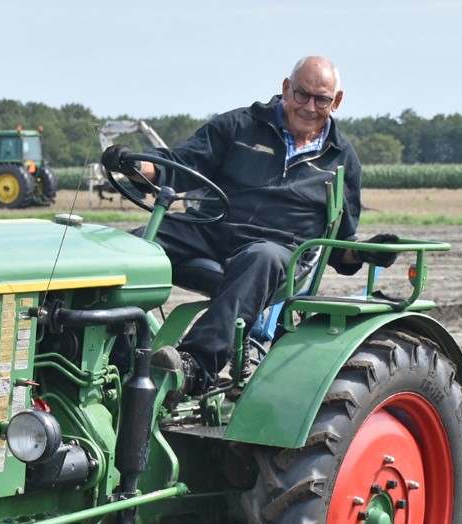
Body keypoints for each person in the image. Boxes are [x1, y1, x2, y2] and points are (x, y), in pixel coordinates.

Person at [101, 55, 398, 399]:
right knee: (134, 248)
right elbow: (181, 165)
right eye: (302, 94)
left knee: (262, 257)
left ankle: (194, 367)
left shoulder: (342, 159)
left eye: (322, 100)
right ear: (286, 88)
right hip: (213, 229)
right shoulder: (238, 126)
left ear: (337, 101)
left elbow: (340, 245)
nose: (309, 107)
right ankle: (116, 356)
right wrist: (137, 166)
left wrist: (367, 252)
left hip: (280, 251)